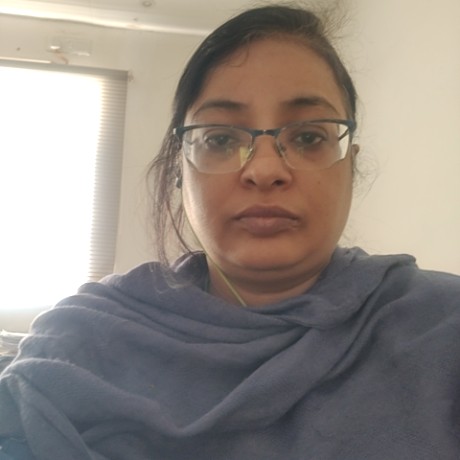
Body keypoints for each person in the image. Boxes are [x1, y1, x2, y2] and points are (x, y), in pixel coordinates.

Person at [1, 3, 460, 460]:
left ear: (350, 167)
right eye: (220, 139)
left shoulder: (441, 329)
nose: (265, 170)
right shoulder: (79, 341)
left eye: (308, 137)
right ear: (180, 171)